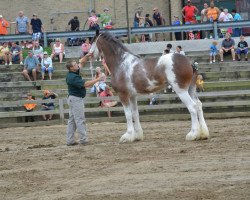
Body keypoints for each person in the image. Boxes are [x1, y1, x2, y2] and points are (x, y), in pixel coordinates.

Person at [65, 53, 104, 146]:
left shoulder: (73, 73)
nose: (77, 65)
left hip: (73, 99)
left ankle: (70, 140)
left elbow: (81, 63)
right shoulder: (72, 77)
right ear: (71, 68)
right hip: (76, 99)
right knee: (79, 119)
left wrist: (87, 56)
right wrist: (98, 79)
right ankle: (83, 139)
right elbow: (86, 84)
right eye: (75, 65)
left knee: (72, 120)